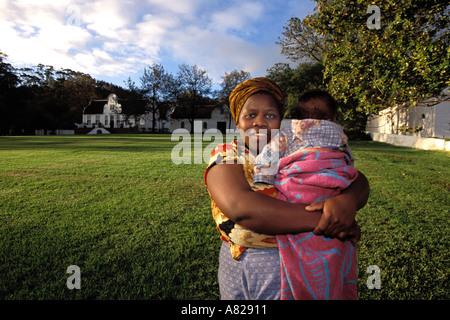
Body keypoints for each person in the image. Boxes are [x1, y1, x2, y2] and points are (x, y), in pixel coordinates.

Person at [204, 77, 370, 300]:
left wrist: (347, 201)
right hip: (250, 265)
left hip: (303, 259)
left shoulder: (296, 147)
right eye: (250, 115)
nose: (260, 122)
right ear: (237, 122)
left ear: (284, 123)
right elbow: (241, 207)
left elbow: (358, 179)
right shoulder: (228, 154)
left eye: (270, 115)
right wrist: (331, 220)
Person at [253, 89, 358, 300]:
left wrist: (262, 177)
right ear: (332, 118)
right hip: (330, 192)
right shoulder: (340, 136)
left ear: (298, 117)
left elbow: (267, 160)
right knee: (335, 248)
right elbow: (348, 163)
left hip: (297, 194)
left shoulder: (288, 133)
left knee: (299, 245)